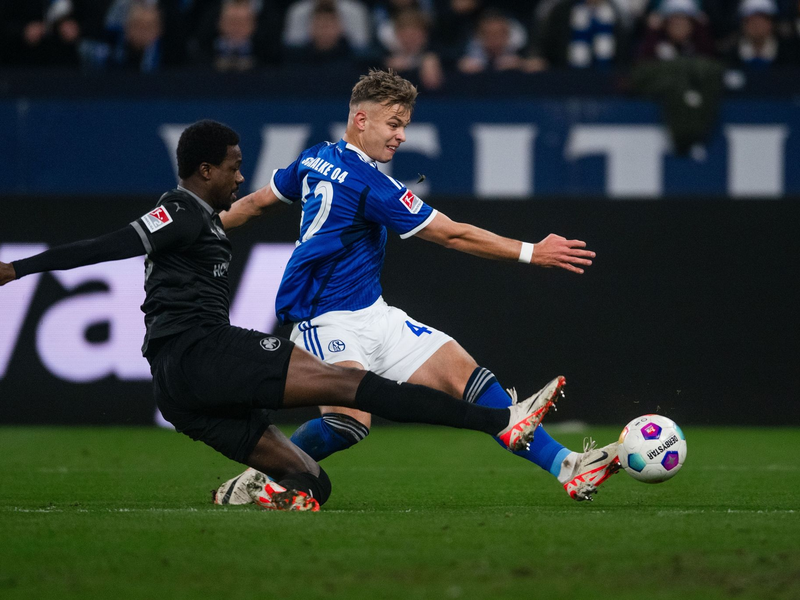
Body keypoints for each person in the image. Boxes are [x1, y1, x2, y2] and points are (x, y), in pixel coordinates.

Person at [0, 120, 564, 512]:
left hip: (177, 391)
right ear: (203, 171)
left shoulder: (211, 218)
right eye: (233, 168)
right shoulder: (180, 210)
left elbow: (252, 204)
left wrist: (238, 215)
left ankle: (256, 495)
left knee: (312, 483)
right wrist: (19, 269)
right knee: (355, 389)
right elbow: (112, 243)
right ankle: (500, 422)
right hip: (203, 353)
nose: (241, 178)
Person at [215, 70, 620, 505]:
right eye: (394, 124)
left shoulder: (315, 157)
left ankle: (568, 468)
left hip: (373, 313)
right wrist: (530, 252)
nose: (402, 136)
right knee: (351, 422)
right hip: (323, 319)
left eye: (404, 125)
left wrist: (200, 228)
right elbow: (451, 234)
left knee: (464, 374)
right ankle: (263, 475)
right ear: (361, 119)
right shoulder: (372, 185)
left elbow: (255, 203)